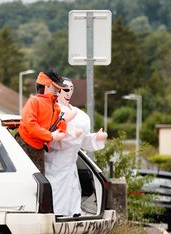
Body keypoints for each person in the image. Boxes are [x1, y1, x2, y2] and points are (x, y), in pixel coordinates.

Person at [45, 78, 108, 216]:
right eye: (66, 89)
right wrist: (72, 135)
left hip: (70, 169)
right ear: (58, 89)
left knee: (72, 204)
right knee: (56, 203)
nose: (69, 93)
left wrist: (96, 138)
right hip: (54, 166)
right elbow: (50, 140)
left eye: (71, 89)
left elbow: (82, 142)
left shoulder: (79, 115)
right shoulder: (50, 110)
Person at [16, 70, 74, 174]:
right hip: (24, 144)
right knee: (27, 179)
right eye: (56, 87)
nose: (58, 90)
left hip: (39, 148)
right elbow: (30, 125)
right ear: (47, 85)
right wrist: (50, 136)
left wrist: (63, 122)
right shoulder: (34, 101)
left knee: (39, 182)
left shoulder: (55, 107)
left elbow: (56, 127)